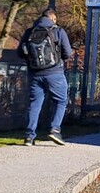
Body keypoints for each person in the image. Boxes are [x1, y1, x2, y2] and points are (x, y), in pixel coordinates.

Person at [18, 8, 74, 146]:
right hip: (55, 73)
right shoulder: (58, 31)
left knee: (34, 104)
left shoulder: (29, 32)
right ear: (53, 18)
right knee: (61, 101)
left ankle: (29, 137)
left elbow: (20, 53)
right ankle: (55, 130)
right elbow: (67, 53)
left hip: (35, 74)